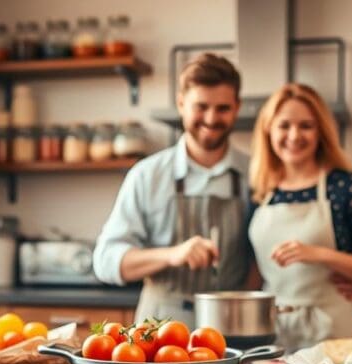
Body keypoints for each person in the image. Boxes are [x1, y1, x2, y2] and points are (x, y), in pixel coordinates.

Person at [93, 53, 250, 326]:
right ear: (181, 104)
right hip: (161, 328)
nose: (211, 119)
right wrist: (172, 254)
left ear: (237, 108)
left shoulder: (255, 174)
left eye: (222, 108)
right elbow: (106, 262)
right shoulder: (147, 175)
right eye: (201, 106)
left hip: (233, 325)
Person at [247, 83, 352, 350]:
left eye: (306, 126)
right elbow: (256, 270)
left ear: (321, 132)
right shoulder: (260, 192)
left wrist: (319, 254)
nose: (294, 135)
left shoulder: (347, 187)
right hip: (271, 333)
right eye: (284, 125)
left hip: (330, 331)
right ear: (268, 130)